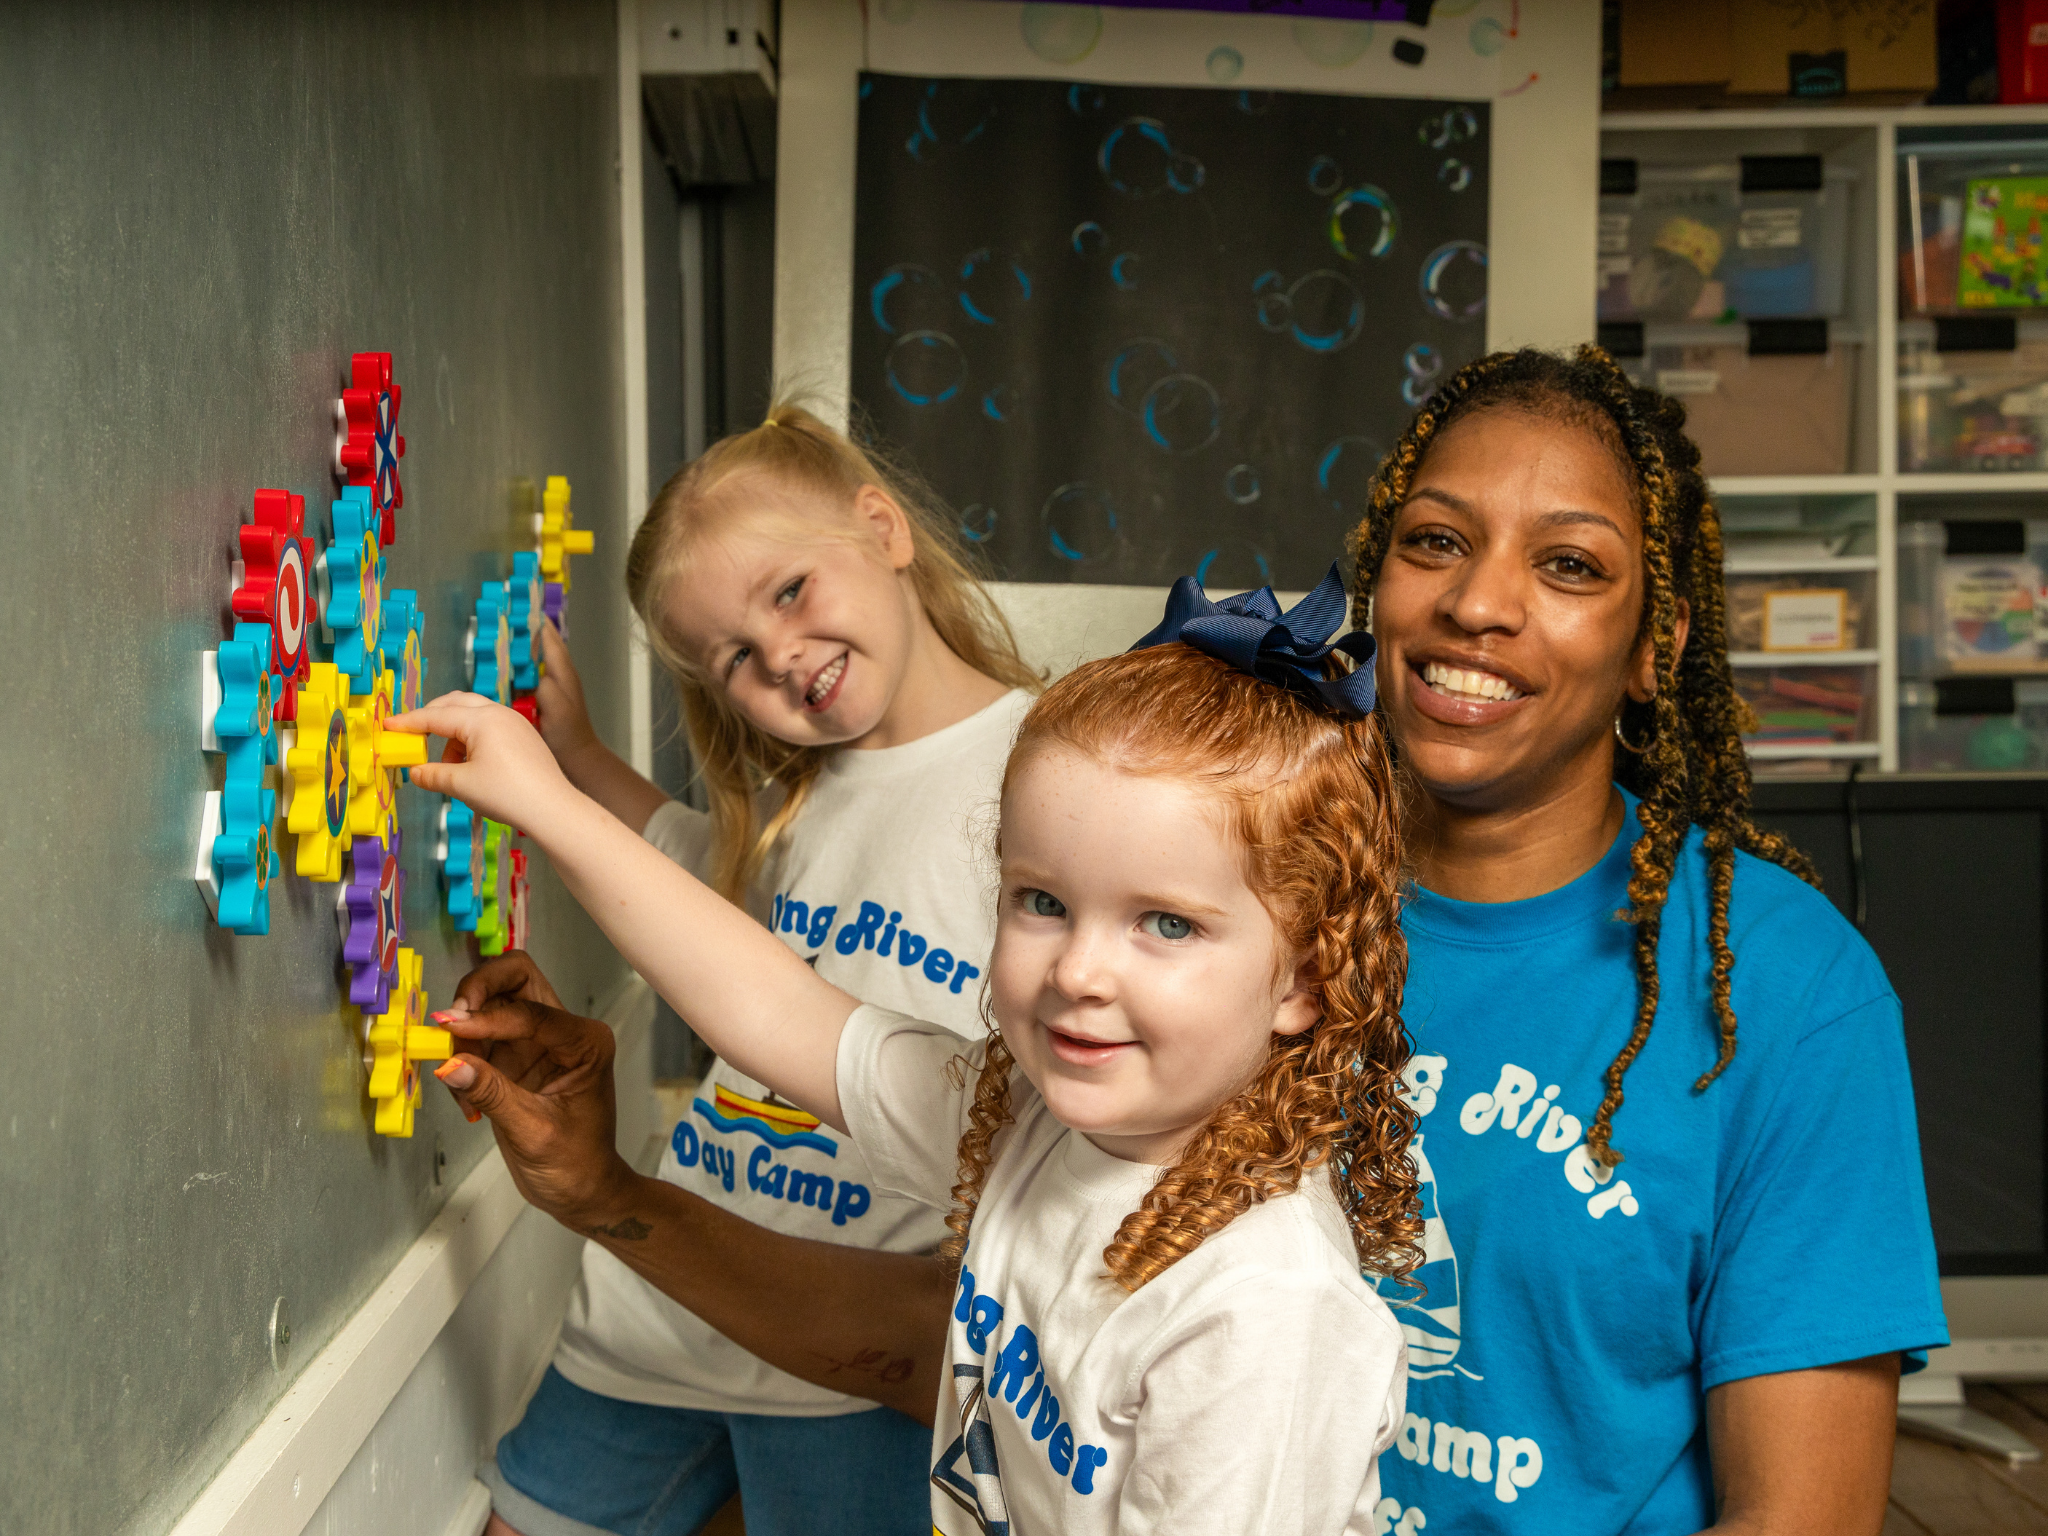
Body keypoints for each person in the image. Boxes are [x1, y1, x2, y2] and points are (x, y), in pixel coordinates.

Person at [430, 345, 1947, 1535]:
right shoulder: (1143, 978)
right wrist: (607, 1188)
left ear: (1313, 985)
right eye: (1435, 540)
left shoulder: (1789, 1003)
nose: (1482, 602)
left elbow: (1801, 1516)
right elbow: (956, 1300)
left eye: (1570, 564)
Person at [401, 567, 1424, 1534]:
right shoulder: (1028, 1119)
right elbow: (767, 1003)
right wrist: (545, 799)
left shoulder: (1264, 1313)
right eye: (1041, 902)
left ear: (1302, 979)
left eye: (1165, 924)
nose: (1077, 972)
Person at [474, 404, 1040, 1536]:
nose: (778, 654)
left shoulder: (1045, 767)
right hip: (658, 1309)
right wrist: (575, 756)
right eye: (731, 655)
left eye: (787, 592)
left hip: (852, 1353)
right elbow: (682, 871)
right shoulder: (799, 799)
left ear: (881, 528)